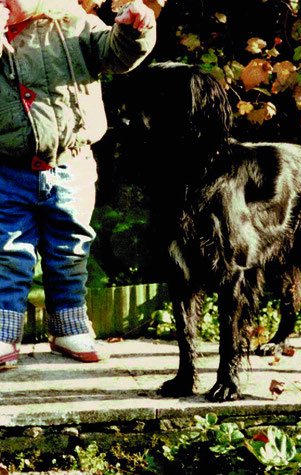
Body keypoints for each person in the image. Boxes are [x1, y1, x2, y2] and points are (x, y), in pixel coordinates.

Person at [0, 0, 156, 367]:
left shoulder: (75, 24)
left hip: (72, 164)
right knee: (8, 251)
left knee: (70, 247)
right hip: (7, 169)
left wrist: (134, 30)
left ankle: (69, 326)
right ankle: (4, 331)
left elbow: (116, 55)